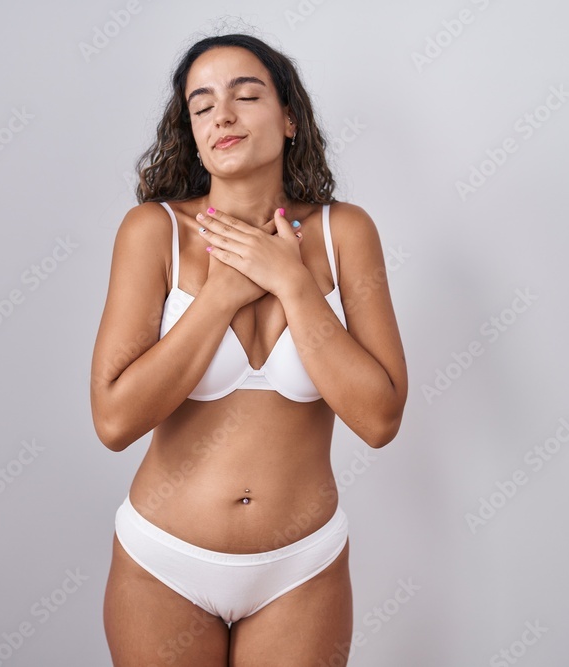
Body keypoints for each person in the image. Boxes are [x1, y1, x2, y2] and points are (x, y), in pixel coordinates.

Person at [90, 32, 408, 666]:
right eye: (202, 105)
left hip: (301, 567)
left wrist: (291, 280)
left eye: (246, 94)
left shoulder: (344, 233)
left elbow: (379, 419)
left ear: (290, 118)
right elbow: (114, 421)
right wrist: (220, 296)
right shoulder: (154, 231)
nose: (223, 116)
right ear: (192, 131)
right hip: (166, 563)